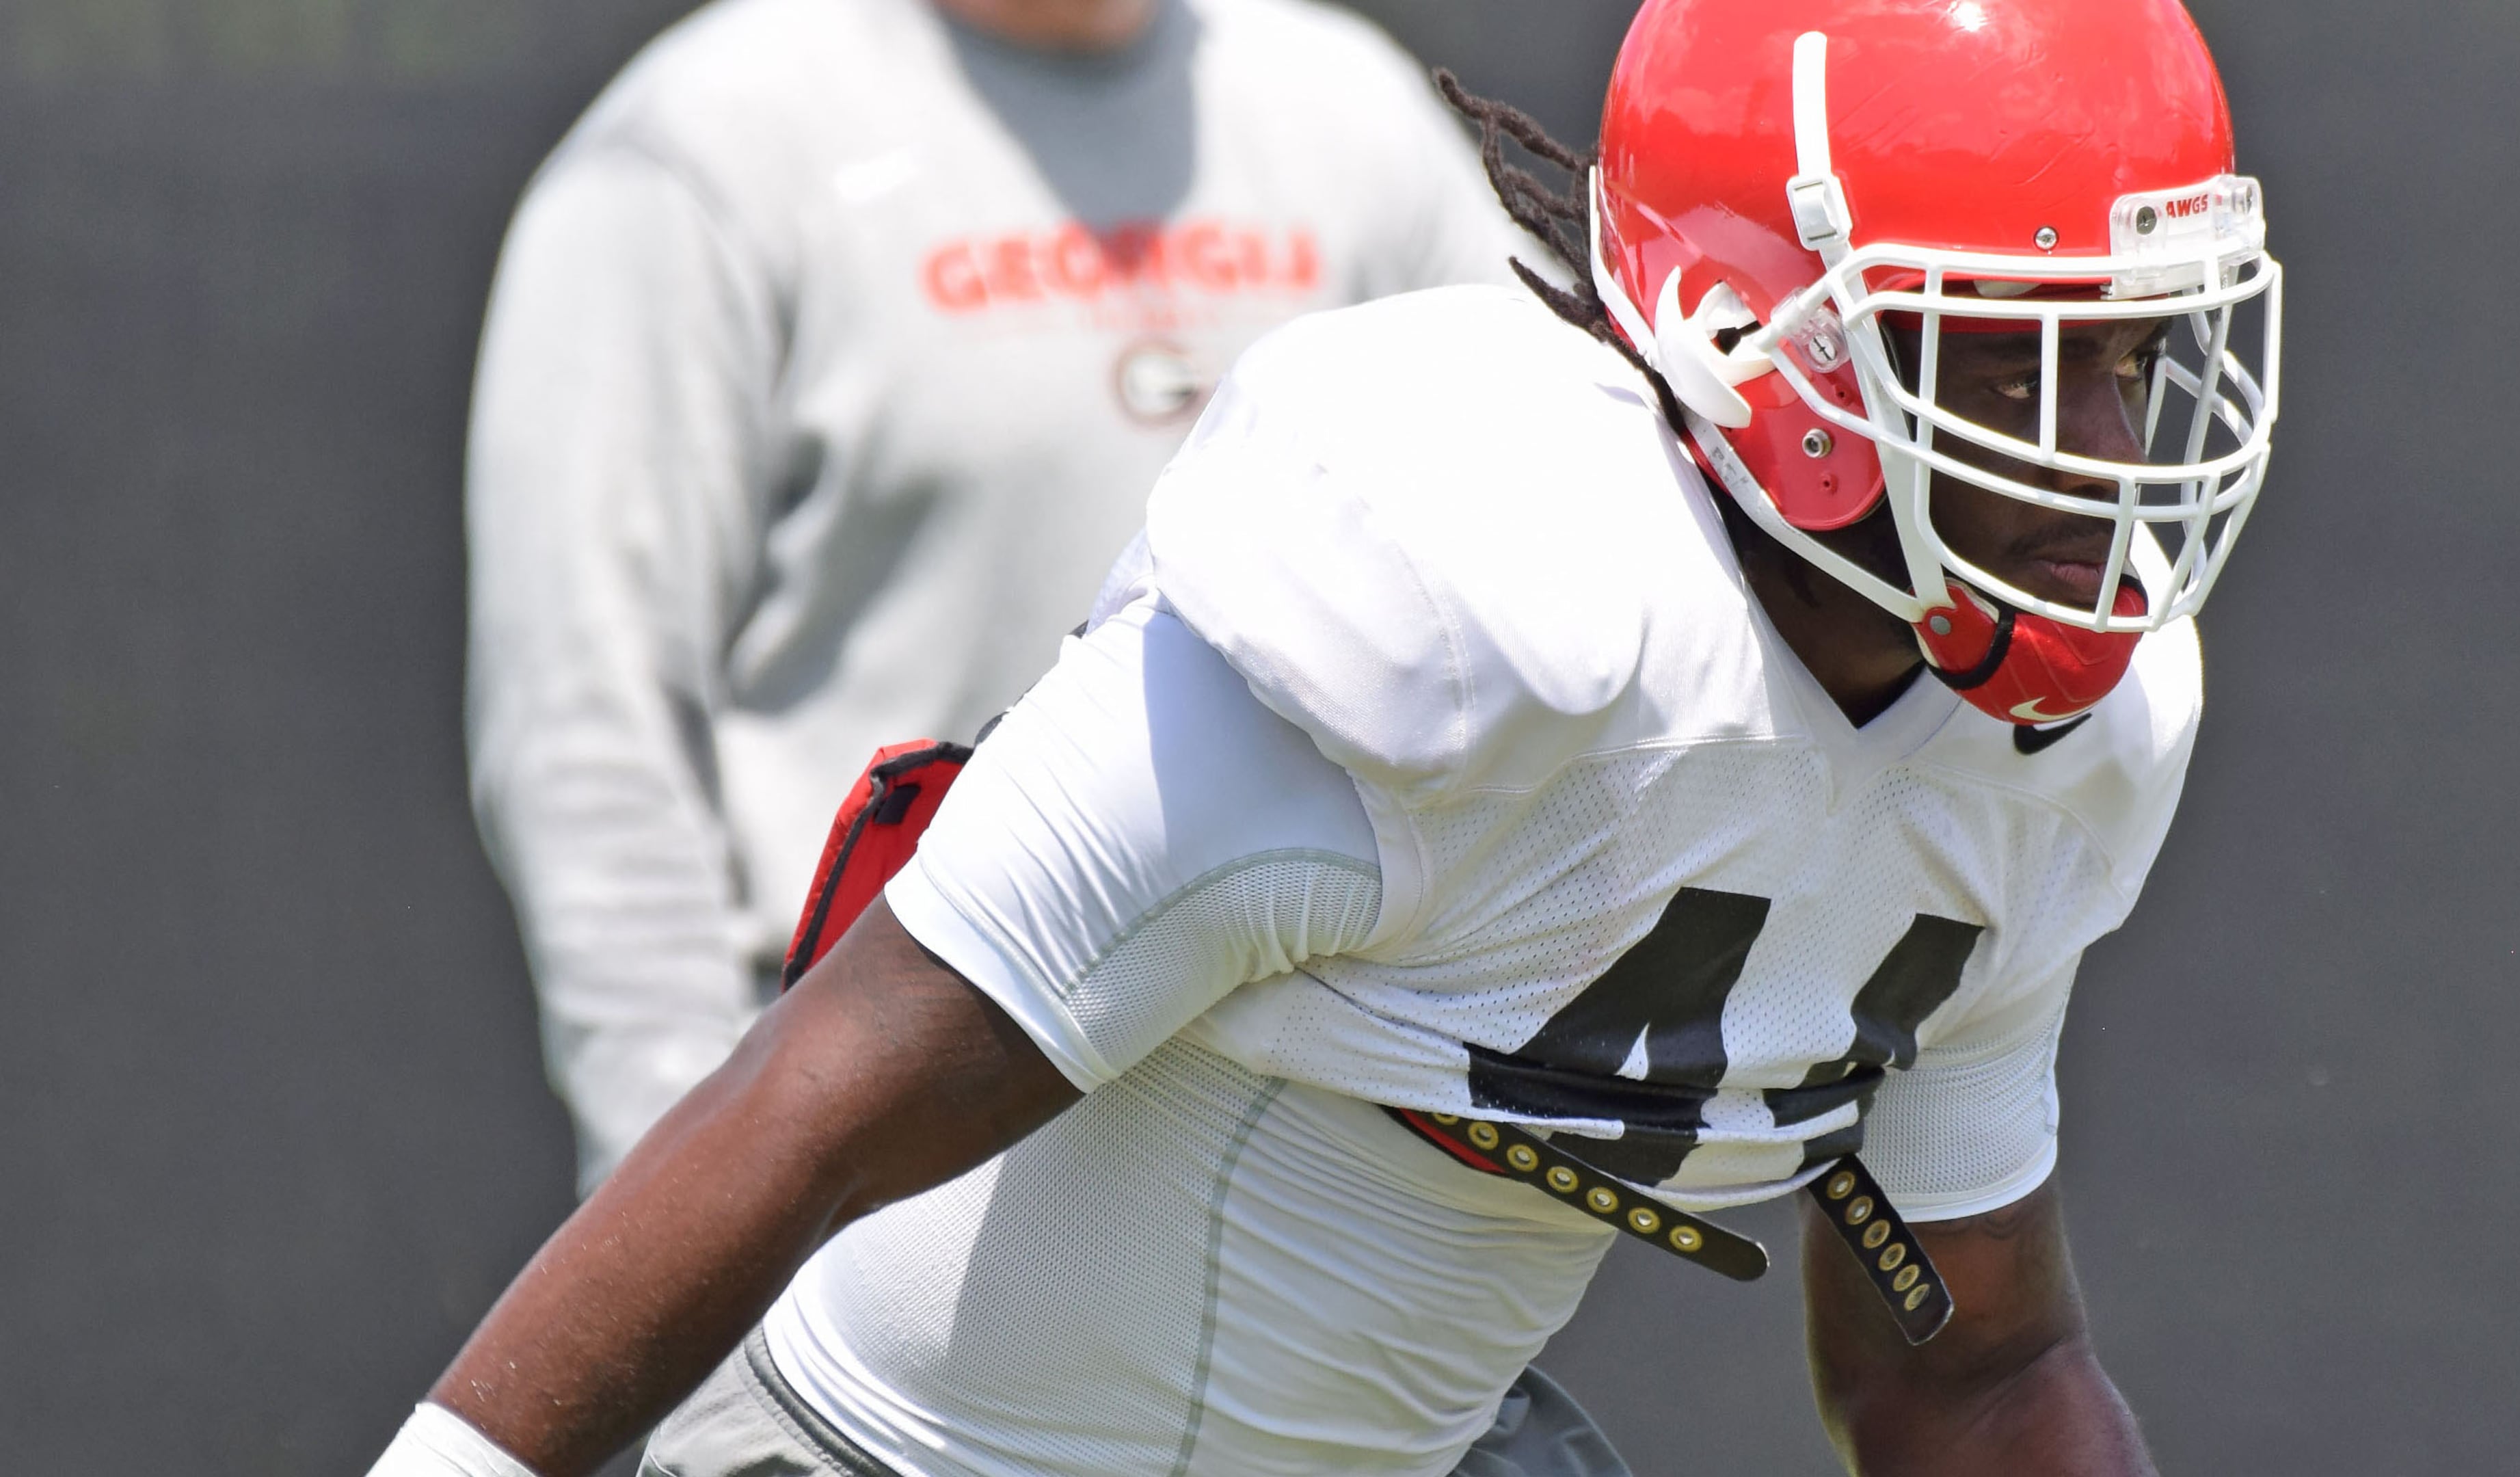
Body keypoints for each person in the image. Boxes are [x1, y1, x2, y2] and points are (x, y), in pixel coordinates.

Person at [389, 0, 2283, 1473]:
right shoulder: (1459, 619)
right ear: (1746, 332)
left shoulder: (2055, 752)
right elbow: (811, 1108)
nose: (2107, 456)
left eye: (2127, 359)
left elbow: (1979, 1369)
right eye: (2016, 357)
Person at [464, 0, 1531, 1197]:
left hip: (1311, 1163)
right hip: (879, 1136)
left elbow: (1565, 552)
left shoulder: (1354, 118)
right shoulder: (699, 151)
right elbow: (587, 726)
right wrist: (687, 1183)